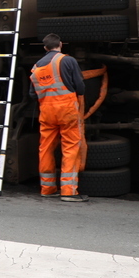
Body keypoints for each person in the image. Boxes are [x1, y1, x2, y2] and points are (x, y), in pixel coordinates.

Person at [29, 34, 88, 202]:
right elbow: (80, 86)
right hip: (67, 110)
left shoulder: (36, 68)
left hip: (46, 111)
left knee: (46, 148)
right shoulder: (68, 61)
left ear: (45, 48)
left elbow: (32, 94)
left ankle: (47, 189)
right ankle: (68, 191)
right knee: (70, 147)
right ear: (60, 44)